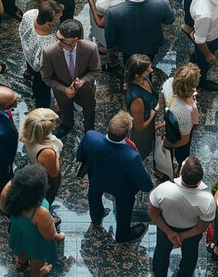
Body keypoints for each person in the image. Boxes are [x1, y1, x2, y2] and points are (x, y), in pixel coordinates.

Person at [77, 111, 153, 243]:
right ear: (128, 133)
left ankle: (96, 217)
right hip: (122, 189)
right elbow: (145, 185)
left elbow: (80, 156)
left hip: (96, 179)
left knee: (94, 196)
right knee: (124, 210)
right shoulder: (131, 156)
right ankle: (122, 235)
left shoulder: (90, 136)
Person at [148, 156, 216, 277]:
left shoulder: (164, 189)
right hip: (191, 231)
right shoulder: (207, 200)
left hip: (165, 227)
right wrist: (182, 236)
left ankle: (160, 276)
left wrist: (170, 232)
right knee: (190, 255)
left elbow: (153, 213)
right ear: (200, 178)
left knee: (161, 252)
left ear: (180, 173)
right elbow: (201, 227)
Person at [0, 164, 64, 277]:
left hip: (18, 231)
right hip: (36, 240)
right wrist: (59, 236)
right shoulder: (40, 213)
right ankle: (35, 276)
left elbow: (3, 209)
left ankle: (21, 262)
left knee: (21, 249)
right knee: (37, 258)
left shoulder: (10, 194)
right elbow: (49, 235)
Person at [41, 18, 100, 137]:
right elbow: (46, 78)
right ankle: (67, 124)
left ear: (75, 40)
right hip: (61, 91)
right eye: (58, 38)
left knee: (89, 110)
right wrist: (64, 89)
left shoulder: (90, 48)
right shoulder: (49, 52)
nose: (59, 42)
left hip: (85, 89)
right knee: (65, 109)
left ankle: (89, 126)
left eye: (62, 40)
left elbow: (96, 71)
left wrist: (83, 81)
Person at [105, 0, 175, 64]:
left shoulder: (114, 12)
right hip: (151, 46)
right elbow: (170, 20)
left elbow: (110, 40)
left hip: (127, 48)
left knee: (129, 65)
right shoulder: (162, 4)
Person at [19, 0, 63, 108]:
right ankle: (42, 108)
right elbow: (45, 66)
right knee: (42, 88)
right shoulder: (50, 42)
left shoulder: (30, 14)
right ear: (48, 23)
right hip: (41, 69)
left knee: (31, 67)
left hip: (27, 51)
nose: (60, 18)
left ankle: (29, 73)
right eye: (58, 17)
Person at [19, 107, 63, 206]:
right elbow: (53, 173)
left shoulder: (28, 134)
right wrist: (55, 152)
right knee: (46, 199)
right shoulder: (48, 152)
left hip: (34, 163)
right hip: (47, 179)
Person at [159, 63, 200, 166]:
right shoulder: (184, 110)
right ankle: (181, 166)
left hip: (173, 120)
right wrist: (169, 144)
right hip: (180, 130)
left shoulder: (168, 83)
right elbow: (184, 140)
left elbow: (162, 102)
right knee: (182, 154)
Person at [124, 55, 160, 161]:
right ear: (137, 74)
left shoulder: (144, 78)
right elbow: (139, 128)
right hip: (142, 133)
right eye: (148, 69)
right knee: (141, 152)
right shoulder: (136, 100)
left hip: (149, 122)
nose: (151, 70)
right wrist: (156, 110)